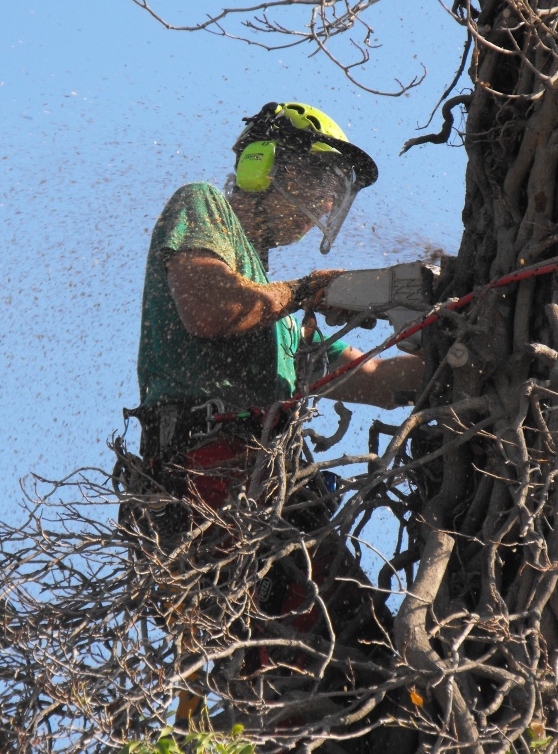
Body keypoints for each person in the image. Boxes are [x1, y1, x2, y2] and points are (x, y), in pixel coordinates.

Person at [133, 99, 425, 483]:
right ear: (262, 164)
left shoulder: (281, 318)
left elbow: (380, 380)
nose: (326, 204)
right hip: (199, 467)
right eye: (322, 182)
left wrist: (458, 333)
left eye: (336, 193)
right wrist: (306, 291)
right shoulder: (204, 205)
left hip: (269, 481)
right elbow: (211, 309)